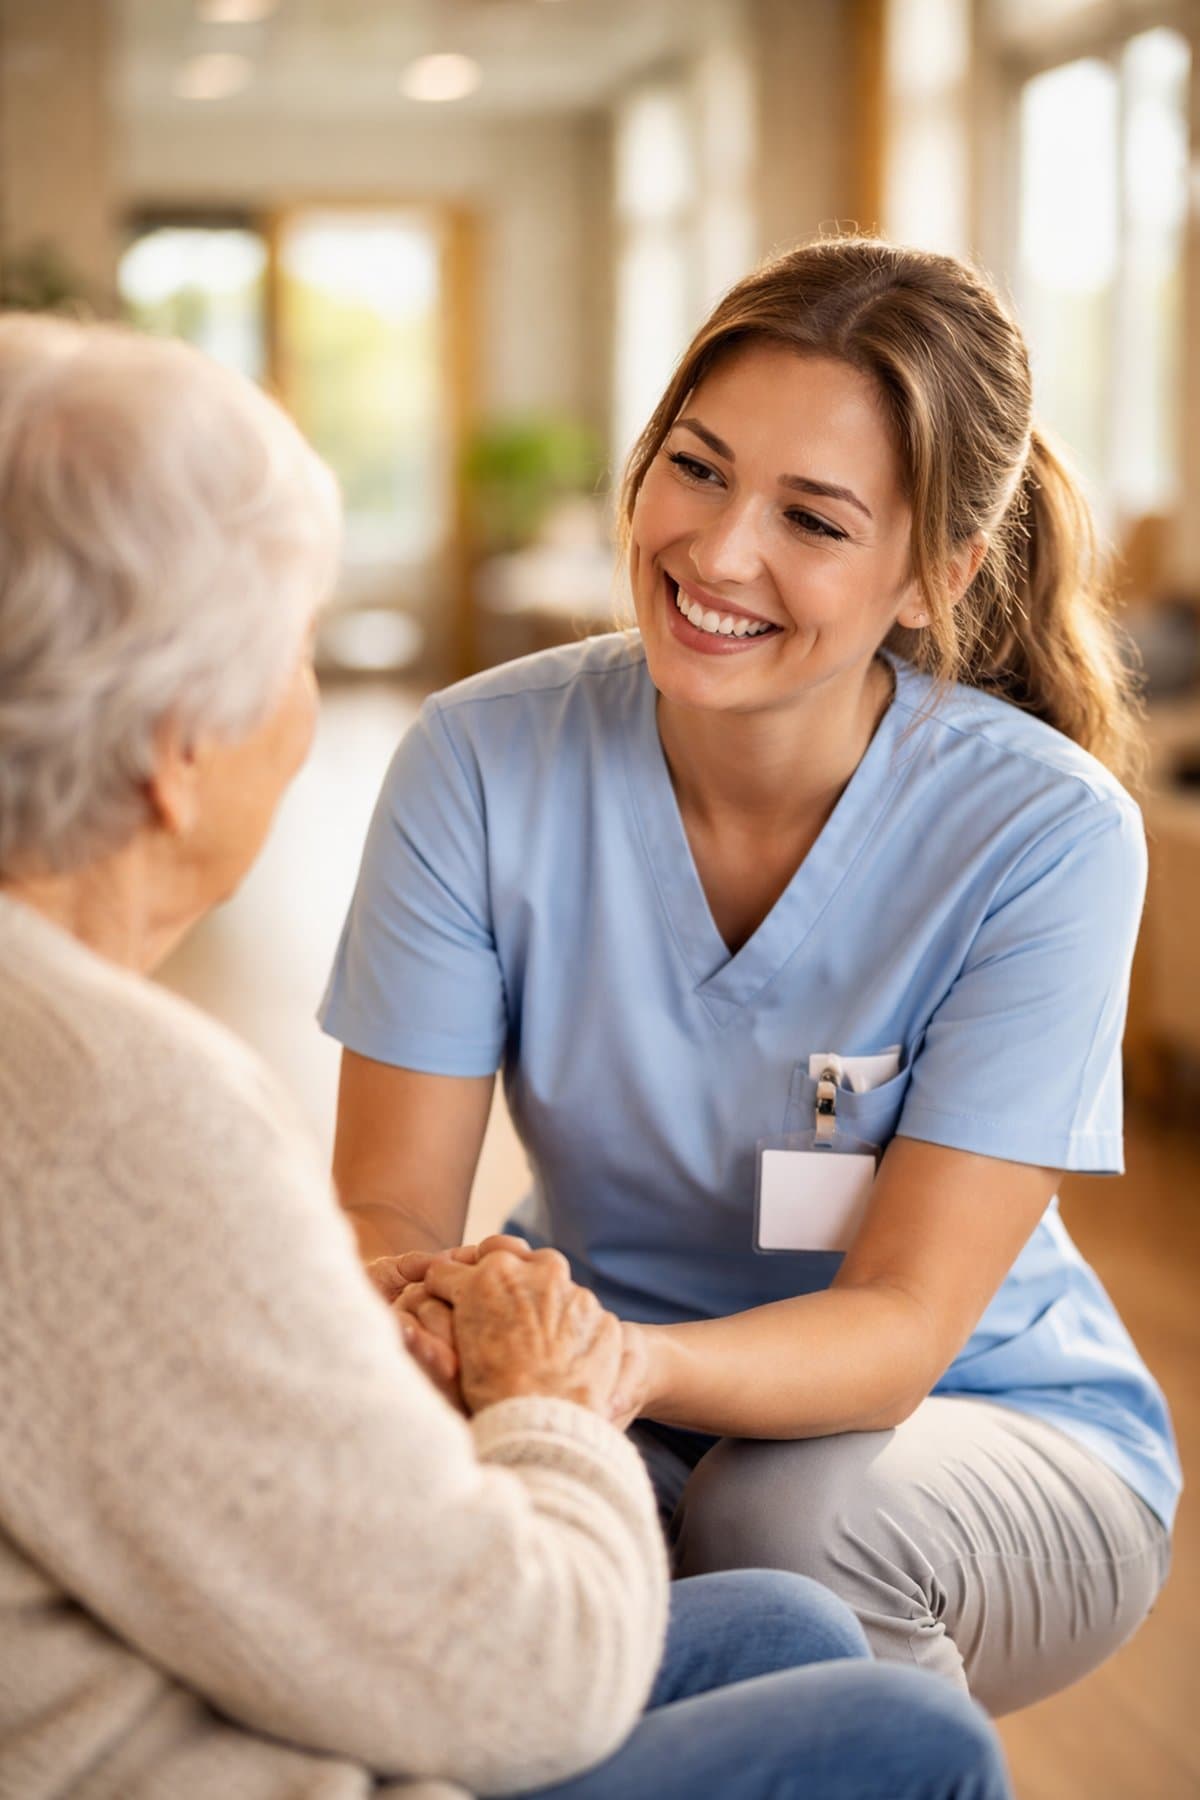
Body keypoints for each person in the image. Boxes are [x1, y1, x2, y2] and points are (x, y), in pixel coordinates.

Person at [0, 312, 1012, 1800]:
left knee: (791, 1613)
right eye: (293, 650)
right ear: (177, 746)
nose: (725, 555)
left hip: (185, 1666)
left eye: (809, 516)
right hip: (200, 1751)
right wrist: (544, 1394)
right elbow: (526, 1674)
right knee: (907, 1739)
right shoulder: (124, 1109)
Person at [321, 235, 1181, 1719]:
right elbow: (385, 1210)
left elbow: (905, 1323)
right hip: (610, 1385)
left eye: (814, 519)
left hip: (981, 1423)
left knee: (775, 1524)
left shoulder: (1046, 833)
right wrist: (449, 1338)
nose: (718, 554)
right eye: (698, 469)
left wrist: (596, 1368)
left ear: (935, 578)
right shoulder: (477, 759)